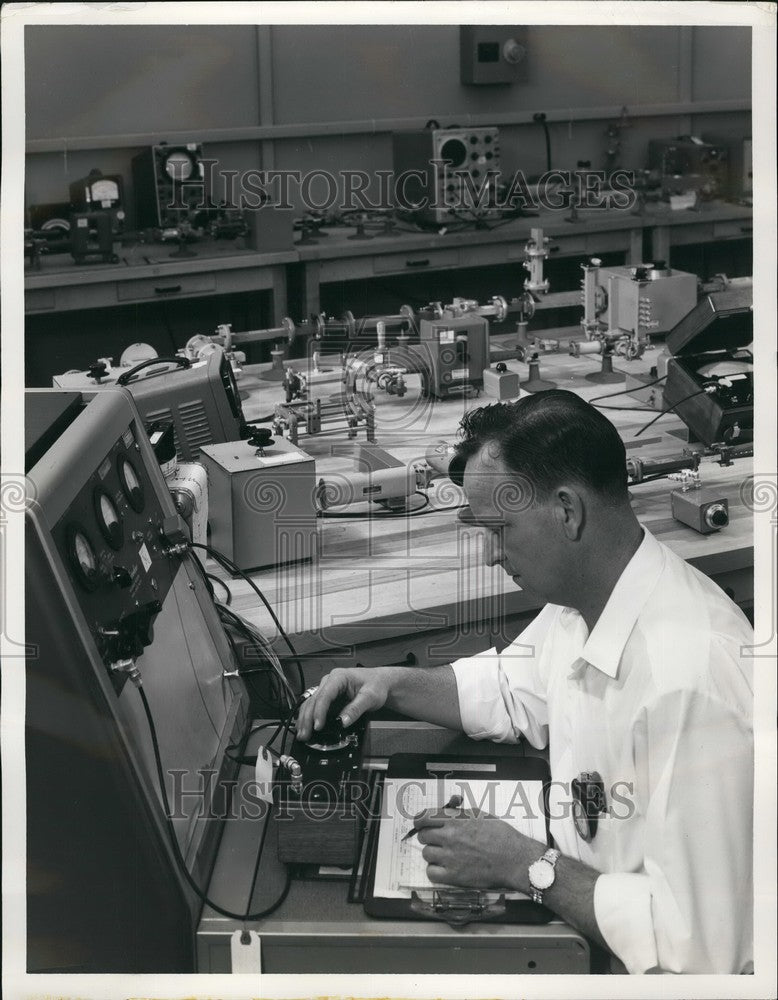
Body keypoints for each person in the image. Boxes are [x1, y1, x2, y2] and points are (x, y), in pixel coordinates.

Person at [296, 390, 754, 975]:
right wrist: (388, 683)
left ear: (567, 511)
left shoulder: (690, 682)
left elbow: (699, 955)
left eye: (499, 529)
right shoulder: (587, 598)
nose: (491, 556)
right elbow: (515, 688)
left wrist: (523, 865)